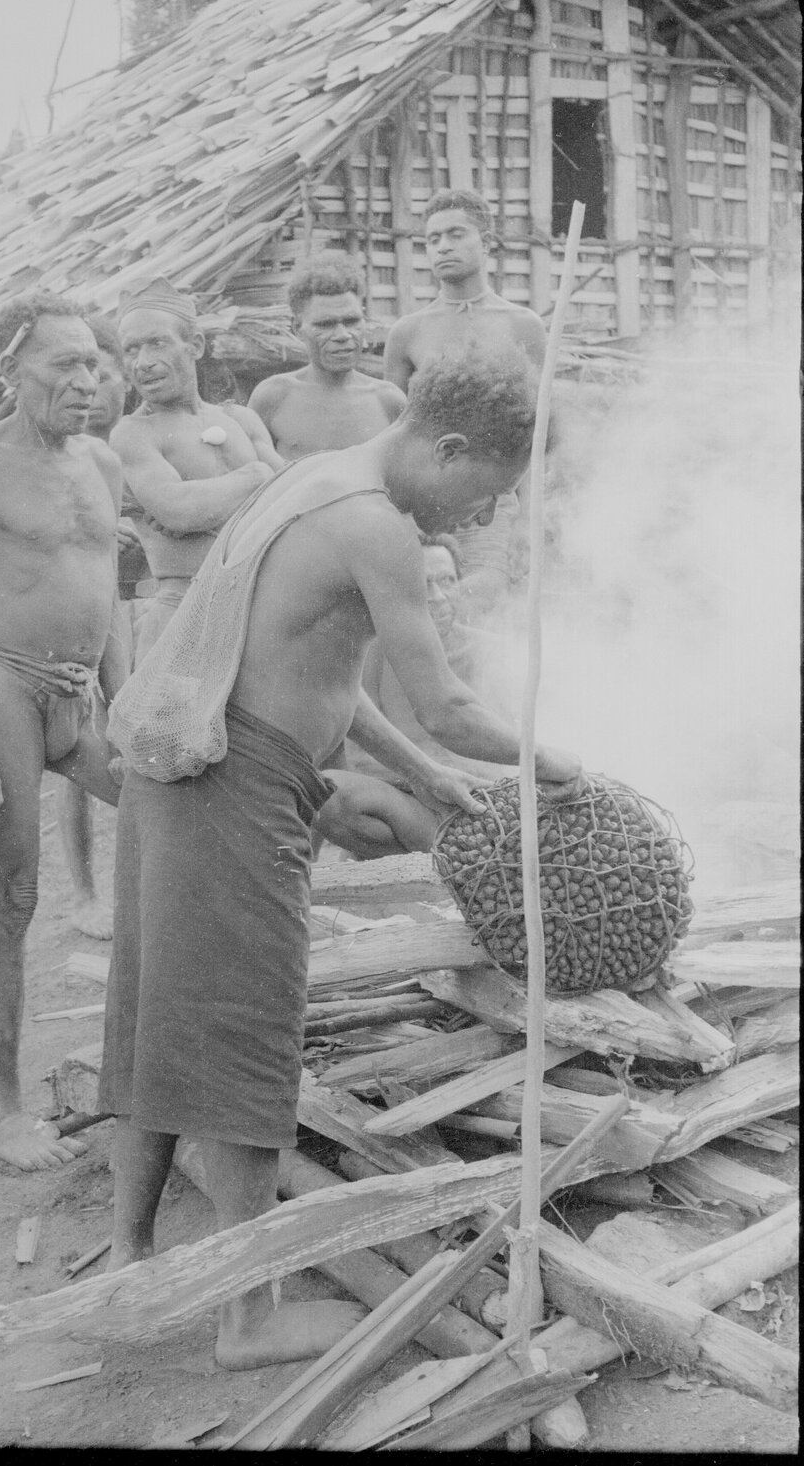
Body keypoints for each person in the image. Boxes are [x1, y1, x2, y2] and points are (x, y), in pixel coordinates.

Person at [99, 337, 583, 1368]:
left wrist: (427, 771)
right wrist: (556, 760)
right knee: (243, 1034)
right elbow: (451, 700)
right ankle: (248, 1312)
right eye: (489, 493)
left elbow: (326, 672)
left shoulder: (320, 483)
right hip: (233, 783)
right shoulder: (376, 526)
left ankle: (128, 1254)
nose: (486, 515)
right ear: (449, 448)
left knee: (156, 1011)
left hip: (190, 767)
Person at [0, 291, 128, 1173]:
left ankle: (149, 1053)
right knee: (11, 900)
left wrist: (128, 708)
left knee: (175, 817)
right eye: (65, 365)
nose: (87, 381)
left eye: (93, 362)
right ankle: (2, 1111)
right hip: (7, 688)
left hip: (81, 695)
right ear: (13, 371)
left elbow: (110, 595)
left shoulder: (103, 464)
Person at [384, 188, 548, 618]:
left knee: (479, 611)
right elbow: (394, 432)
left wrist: (528, 520)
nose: (443, 247)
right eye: (433, 239)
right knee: (423, 614)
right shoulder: (408, 332)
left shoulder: (521, 325)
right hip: (423, 502)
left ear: (487, 241)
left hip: (490, 503)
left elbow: (537, 434)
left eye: (456, 234)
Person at [111, 276, 284, 666]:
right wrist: (256, 478)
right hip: (186, 610)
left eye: (157, 342)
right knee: (167, 724)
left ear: (196, 346)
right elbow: (178, 509)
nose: (143, 362)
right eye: (131, 349)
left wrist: (222, 497)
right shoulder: (135, 433)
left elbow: (296, 493)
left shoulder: (240, 419)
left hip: (265, 602)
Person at [321, 532, 520, 858]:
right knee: (330, 796)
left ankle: (468, 860)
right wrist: (427, 775)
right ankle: (461, 861)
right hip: (416, 805)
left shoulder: (495, 651)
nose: (439, 596)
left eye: (448, 580)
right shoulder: (370, 655)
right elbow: (357, 758)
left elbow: (530, 741)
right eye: (422, 584)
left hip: (488, 806)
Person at [56, 316, 136, 942]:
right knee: (84, 748)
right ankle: (83, 891)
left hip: (148, 603)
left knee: (142, 747)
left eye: (108, 376)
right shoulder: (66, 445)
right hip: (88, 609)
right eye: (91, 375)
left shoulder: (135, 439)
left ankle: (143, 879)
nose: (100, 389)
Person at [248, 253, 406, 459]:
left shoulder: (388, 400)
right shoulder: (273, 396)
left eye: (351, 321)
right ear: (297, 328)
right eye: (325, 324)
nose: (342, 335)